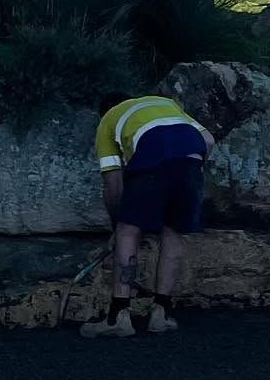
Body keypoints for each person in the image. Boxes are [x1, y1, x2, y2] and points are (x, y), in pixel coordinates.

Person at [86, 94, 215, 338]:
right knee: (173, 230)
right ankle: (161, 314)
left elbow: (113, 182)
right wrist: (190, 168)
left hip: (151, 158)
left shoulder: (107, 121)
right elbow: (208, 140)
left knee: (129, 230)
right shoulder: (165, 102)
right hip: (191, 160)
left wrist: (117, 224)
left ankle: (118, 317)